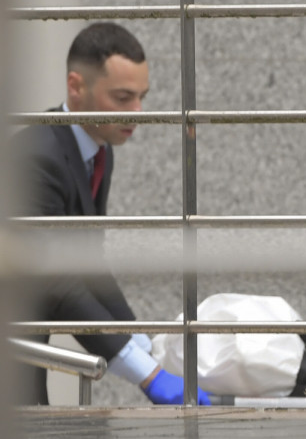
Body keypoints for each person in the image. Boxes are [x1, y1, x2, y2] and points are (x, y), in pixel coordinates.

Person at [12, 22, 210, 405]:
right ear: (76, 86)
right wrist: (146, 374)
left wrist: (139, 339)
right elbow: (55, 279)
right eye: (122, 98)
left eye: (142, 97)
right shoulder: (36, 157)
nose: (137, 112)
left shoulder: (97, 147)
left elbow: (88, 261)